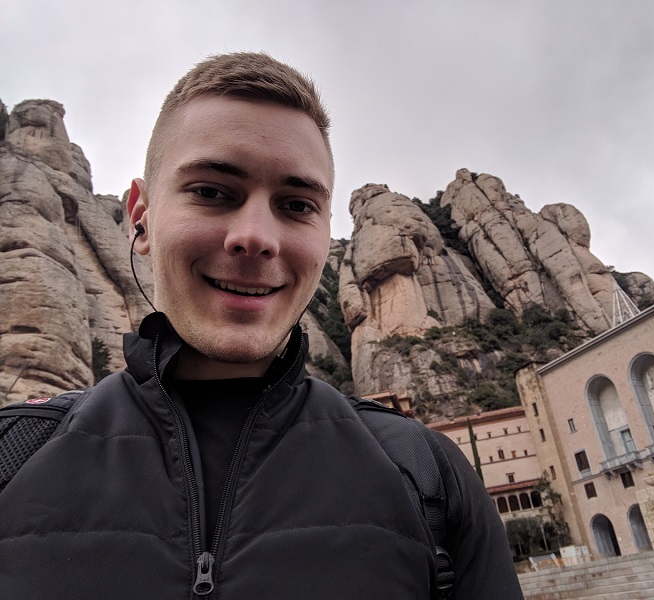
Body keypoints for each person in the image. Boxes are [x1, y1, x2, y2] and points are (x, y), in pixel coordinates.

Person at [0, 53, 523, 599]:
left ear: (326, 236)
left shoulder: (426, 475)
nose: (255, 237)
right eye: (211, 192)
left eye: (296, 204)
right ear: (140, 217)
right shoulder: (13, 455)